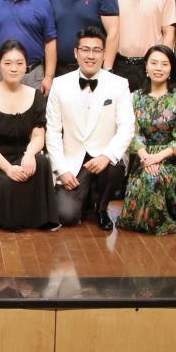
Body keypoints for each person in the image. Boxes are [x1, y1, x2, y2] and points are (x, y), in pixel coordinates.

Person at [45, 26, 134, 231]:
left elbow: (127, 127)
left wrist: (107, 155)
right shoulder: (59, 84)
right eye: (85, 49)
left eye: (96, 50)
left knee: (115, 164)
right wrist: (62, 169)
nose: (91, 55)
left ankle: (101, 207)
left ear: (104, 54)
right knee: (66, 215)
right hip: (73, 160)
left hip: (104, 158)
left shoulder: (119, 84)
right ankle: (86, 198)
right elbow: (53, 131)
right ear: (76, 53)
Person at [0, 40, 60, 231]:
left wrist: (29, 154)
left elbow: (38, 135)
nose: (13, 68)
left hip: (22, 156)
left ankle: (37, 218)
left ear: (26, 67)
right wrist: (8, 168)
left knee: (42, 162)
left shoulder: (36, 96)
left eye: (19, 63)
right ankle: (11, 216)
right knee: (7, 183)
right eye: (8, 63)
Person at [117, 45, 176, 235]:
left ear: (171, 69)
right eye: (154, 63)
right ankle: (139, 224)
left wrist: (157, 158)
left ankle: (162, 223)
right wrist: (145, 157)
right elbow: (132, 133)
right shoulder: (134, 98)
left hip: (172, 161)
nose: (158, 68)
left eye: (164, 64)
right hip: (143, 158)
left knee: (154, 177)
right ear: (146, 67)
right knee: (147, 176)